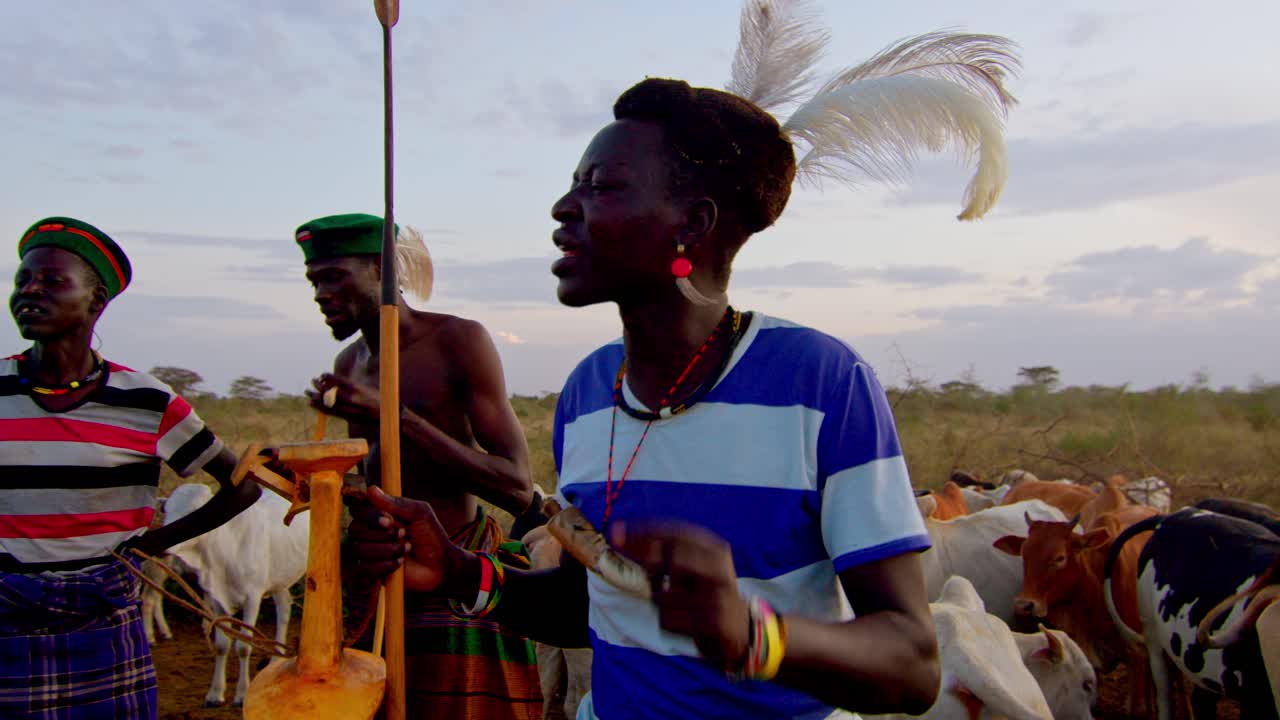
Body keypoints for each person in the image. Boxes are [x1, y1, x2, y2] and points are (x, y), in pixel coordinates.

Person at [348, 4, 1019, 717]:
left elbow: (911, 666)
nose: (561, 208)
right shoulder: (586, 394)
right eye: (576, 183)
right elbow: (594, 606)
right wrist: (459, 572)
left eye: (601, 187)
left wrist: (749, 635)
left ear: (692, 224)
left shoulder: (821, 383)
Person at [0, 216, 262, 719]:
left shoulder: (146, 401)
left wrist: (153, 544)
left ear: (95, 302)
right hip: (7, 615)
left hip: (102, 619)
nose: (29, 291)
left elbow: (242, 488)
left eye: (52, 282)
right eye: (22, 281)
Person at [295, 213, 541, 718]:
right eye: (314, 281)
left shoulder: (457, 340)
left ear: (383, 272)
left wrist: (396, 416)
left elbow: (516, 485)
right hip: (380, 576)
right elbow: (376, 479)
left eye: (334, 277)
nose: (320, 294)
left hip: (456, 571)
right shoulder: (349, 364)